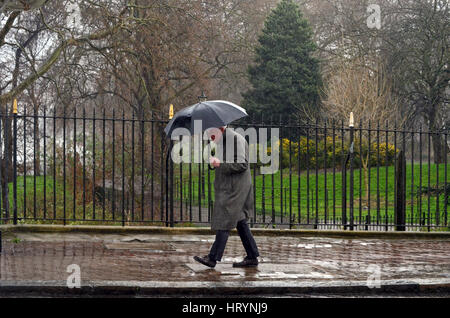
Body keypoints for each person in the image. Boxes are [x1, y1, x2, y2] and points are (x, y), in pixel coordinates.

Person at [194, 126, 260, 268]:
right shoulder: (224, 141)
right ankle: (252, 256)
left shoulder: (235, 139)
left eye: (211, 133)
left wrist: (220, 164)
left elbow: (242, 164)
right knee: (240, 221)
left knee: (225, 220)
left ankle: (212, 258)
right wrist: (215, 162)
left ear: (220, 128)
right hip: (231, 187)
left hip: (235, 188)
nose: (210, 137)